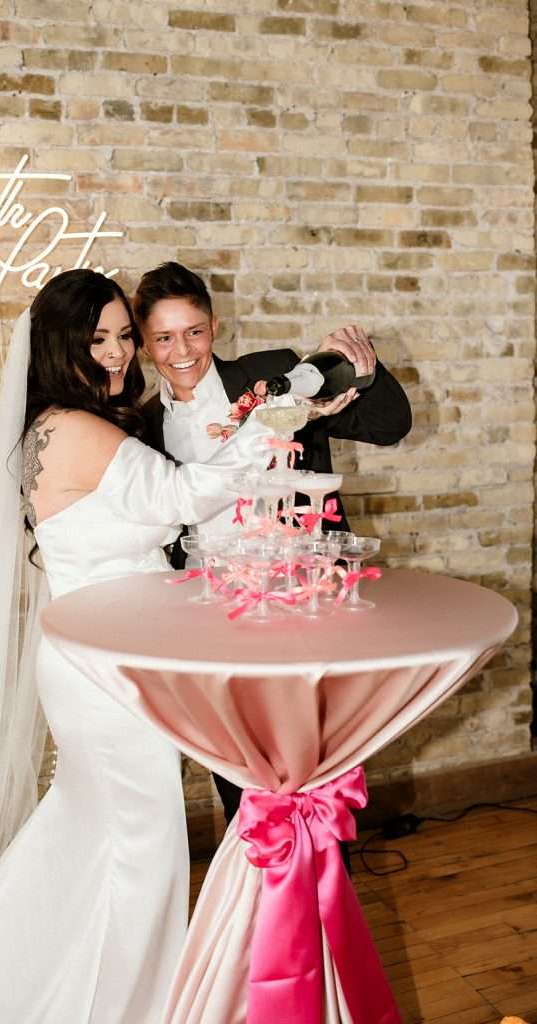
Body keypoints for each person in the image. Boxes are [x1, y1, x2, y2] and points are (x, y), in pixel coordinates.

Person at [0, 269, 272, 1024]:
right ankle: (131, 1006)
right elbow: (181, 498)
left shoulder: (56, 425)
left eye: (121, 336)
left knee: (88, 832)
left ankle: (21, 978)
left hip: (95, 660)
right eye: (99, 338)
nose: (117, 354)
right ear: (60, 345)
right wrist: (274, 424)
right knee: (141, 846)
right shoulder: (77, 430)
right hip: (109, 671)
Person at [135, 261, 412, 825]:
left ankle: (322, 901)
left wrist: (361, 366)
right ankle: (256, 894)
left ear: (214, 327)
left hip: (304, 598)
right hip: (210, 610)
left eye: (194, 331)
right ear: (144, 345)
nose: (181, 350)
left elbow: (389, 424)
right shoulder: (141, 427)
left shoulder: (276, 375)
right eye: (163, 338)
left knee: (315, 771)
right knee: (238, 770)